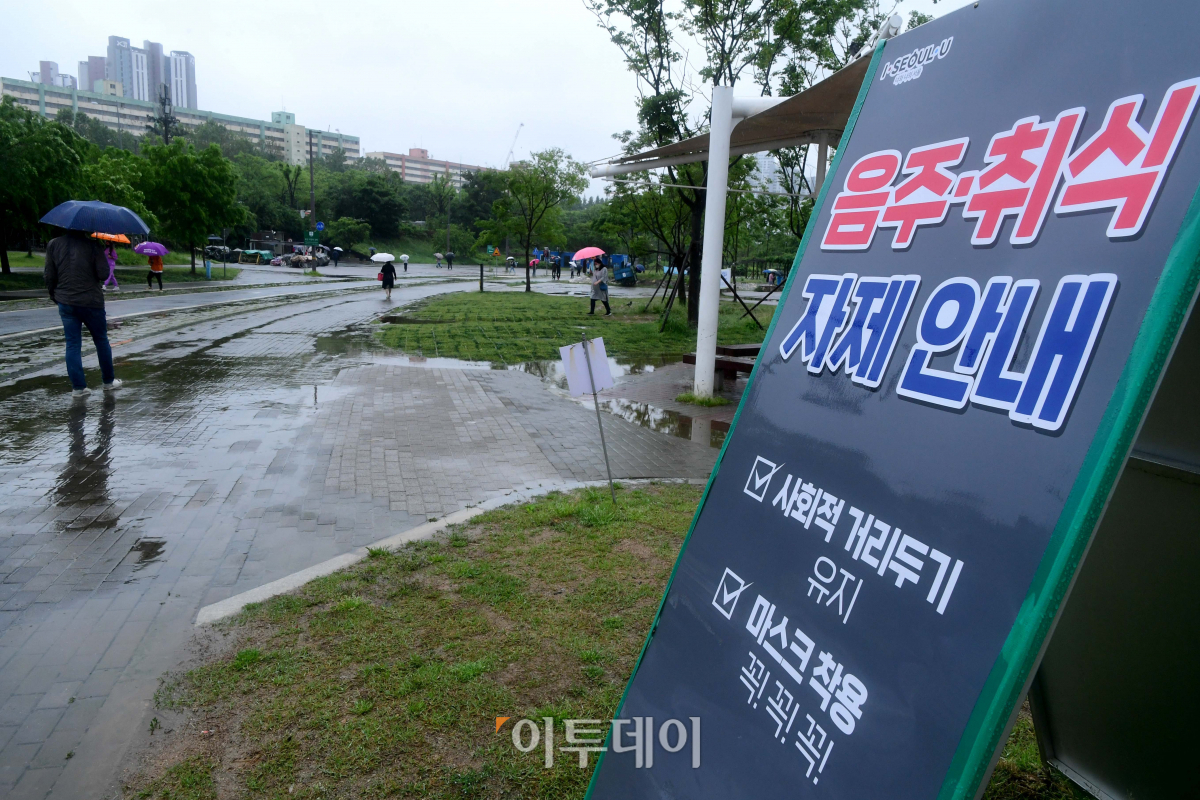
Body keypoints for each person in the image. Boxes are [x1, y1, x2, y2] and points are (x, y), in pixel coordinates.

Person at [43, 229, 123, 397]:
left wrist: (54, 295)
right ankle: (108, 382)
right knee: (101, 340)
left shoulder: (53, 244)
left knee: (72, 344)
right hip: (91, 301)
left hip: (66, 301)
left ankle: (78, 388)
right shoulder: (93, 245)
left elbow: (49, 274)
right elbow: (103, 274)